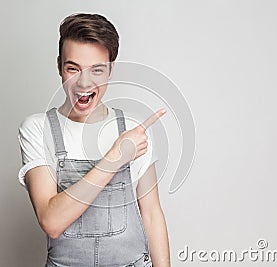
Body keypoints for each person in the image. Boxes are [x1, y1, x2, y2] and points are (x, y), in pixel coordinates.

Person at [17, 13, 170, 267]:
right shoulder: (37, 129)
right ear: (59, 67)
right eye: (73, 68)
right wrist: (115, 157)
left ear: (111, 69)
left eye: (97, 70)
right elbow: (51, 221)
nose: (84, 82)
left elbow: (152, 215)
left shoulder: (133, 129)